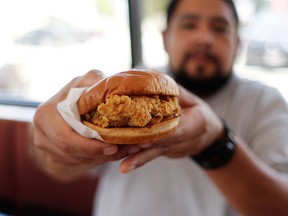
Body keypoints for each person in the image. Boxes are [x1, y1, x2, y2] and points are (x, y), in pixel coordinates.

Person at [31, 0, 288, 215]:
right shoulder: (121, 85)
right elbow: (54, 169)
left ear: (237, 43)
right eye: (189, 25)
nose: (204, 38)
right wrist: (58, 138)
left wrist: (214, 141)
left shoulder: (265, 102)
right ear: (166, 38)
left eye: (219, 28)